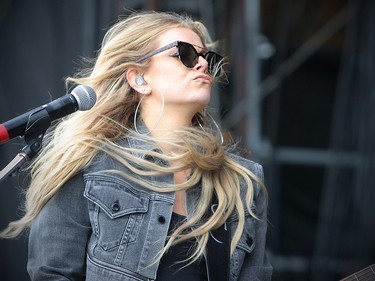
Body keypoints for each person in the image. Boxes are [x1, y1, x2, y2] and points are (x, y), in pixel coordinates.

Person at [0, 10, 272, 281]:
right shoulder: (89, 163)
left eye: (208, 59)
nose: (202, 65)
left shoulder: (241, 182)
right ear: (139, 79)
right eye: (186, 54)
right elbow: (52, 273)